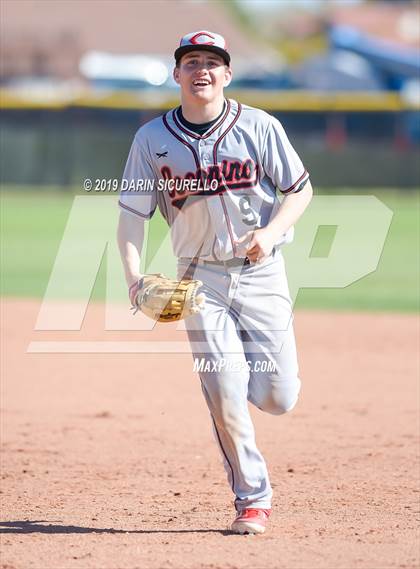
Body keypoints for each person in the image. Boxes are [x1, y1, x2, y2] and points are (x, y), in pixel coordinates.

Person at [117, 30, 313, 535]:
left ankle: (228, 390)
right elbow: (132, 216)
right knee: (226, 391)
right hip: (199, 280)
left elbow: (300, 189)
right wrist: (135, 278)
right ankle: (253, 499)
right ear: (176, 73)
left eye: (211, 62)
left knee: (278, 397)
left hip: (263, 273)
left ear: (226, 74)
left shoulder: (259, 126)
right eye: (191, 61)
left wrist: (271, 233)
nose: (200, 69)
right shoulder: (151, 140)